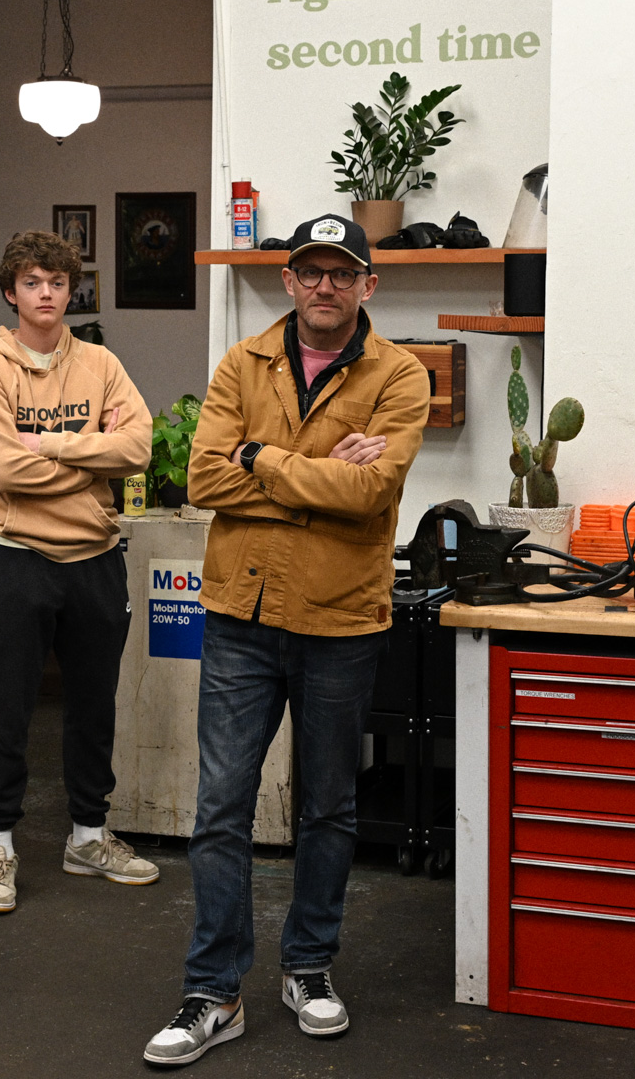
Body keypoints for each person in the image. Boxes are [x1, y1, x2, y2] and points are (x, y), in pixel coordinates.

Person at [141, 214, 429, 1067]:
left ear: (367, 285)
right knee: (221, 807)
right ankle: (212, 991)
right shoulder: (242, 363)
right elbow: (202, 476)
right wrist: (316, 473)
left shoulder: (400, 374)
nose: (325, 286)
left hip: (341, 619)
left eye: (342, 273)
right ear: (288, 282)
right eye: (310, 272)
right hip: (240, 613)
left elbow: (373, 492)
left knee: (329, 806)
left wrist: (261, 457)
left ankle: (309, 968)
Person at [0, 230, 156, 914]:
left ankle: (87, 836)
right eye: (32, 283)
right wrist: (90, 457)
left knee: (93, 706)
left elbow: (138, 447)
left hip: (97, 561)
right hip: (18, 556)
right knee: (7, 708)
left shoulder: (101, 363)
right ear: (11, 291)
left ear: (70, 290)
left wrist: (49, 441)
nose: (46, 294)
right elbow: (5, 468)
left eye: (56, 283)